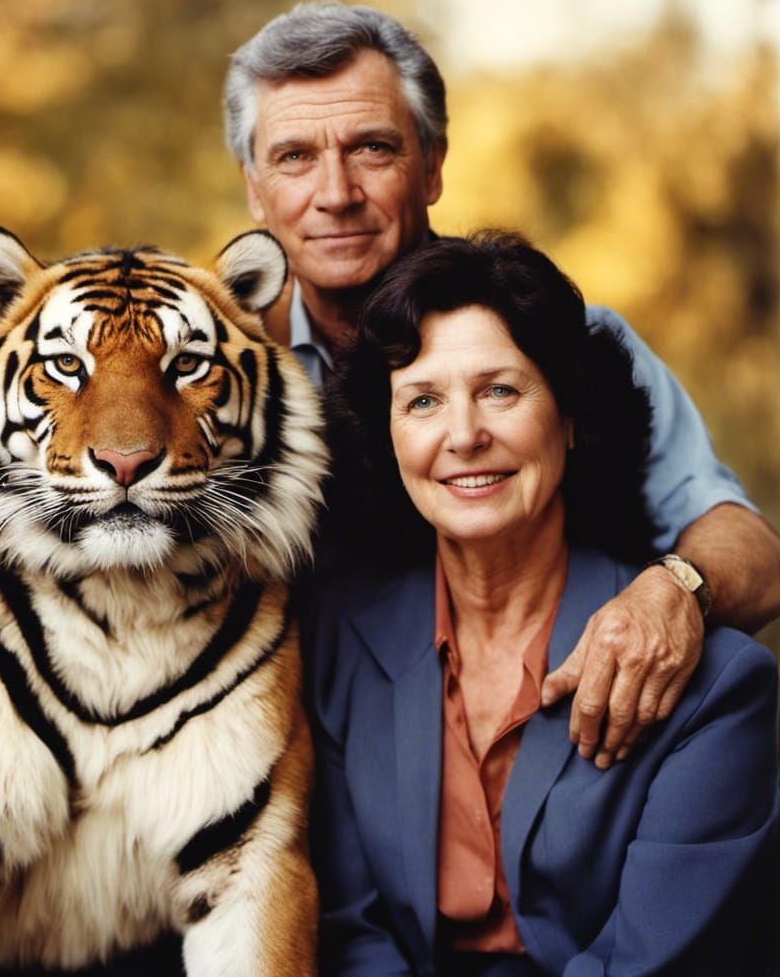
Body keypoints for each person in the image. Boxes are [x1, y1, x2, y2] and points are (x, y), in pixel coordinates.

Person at [0, 2, 780, 768]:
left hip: (562, 756)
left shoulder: (559, 341)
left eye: (372, 148)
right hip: (285, 779)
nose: (336, 194)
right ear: (253, 188)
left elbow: (755, 555)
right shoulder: (217, 366)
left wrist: (676, 592)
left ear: (432, 165)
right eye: (293, 157)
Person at [310, 230, 778, 976]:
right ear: (386, 438)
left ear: (570, 415)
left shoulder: (716, 686)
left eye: (500, 390)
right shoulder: (340, 642)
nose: (464, 436)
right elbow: (351, 932)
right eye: (423, 401)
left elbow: (658, 963)